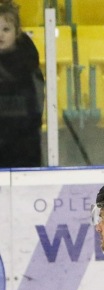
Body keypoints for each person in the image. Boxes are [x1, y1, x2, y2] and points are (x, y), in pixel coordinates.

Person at [0, 0, 44, 168]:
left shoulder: (28, 62)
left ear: (17, 32)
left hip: (23, 142)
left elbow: (36, 102)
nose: (0, 35)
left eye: (6, 29)